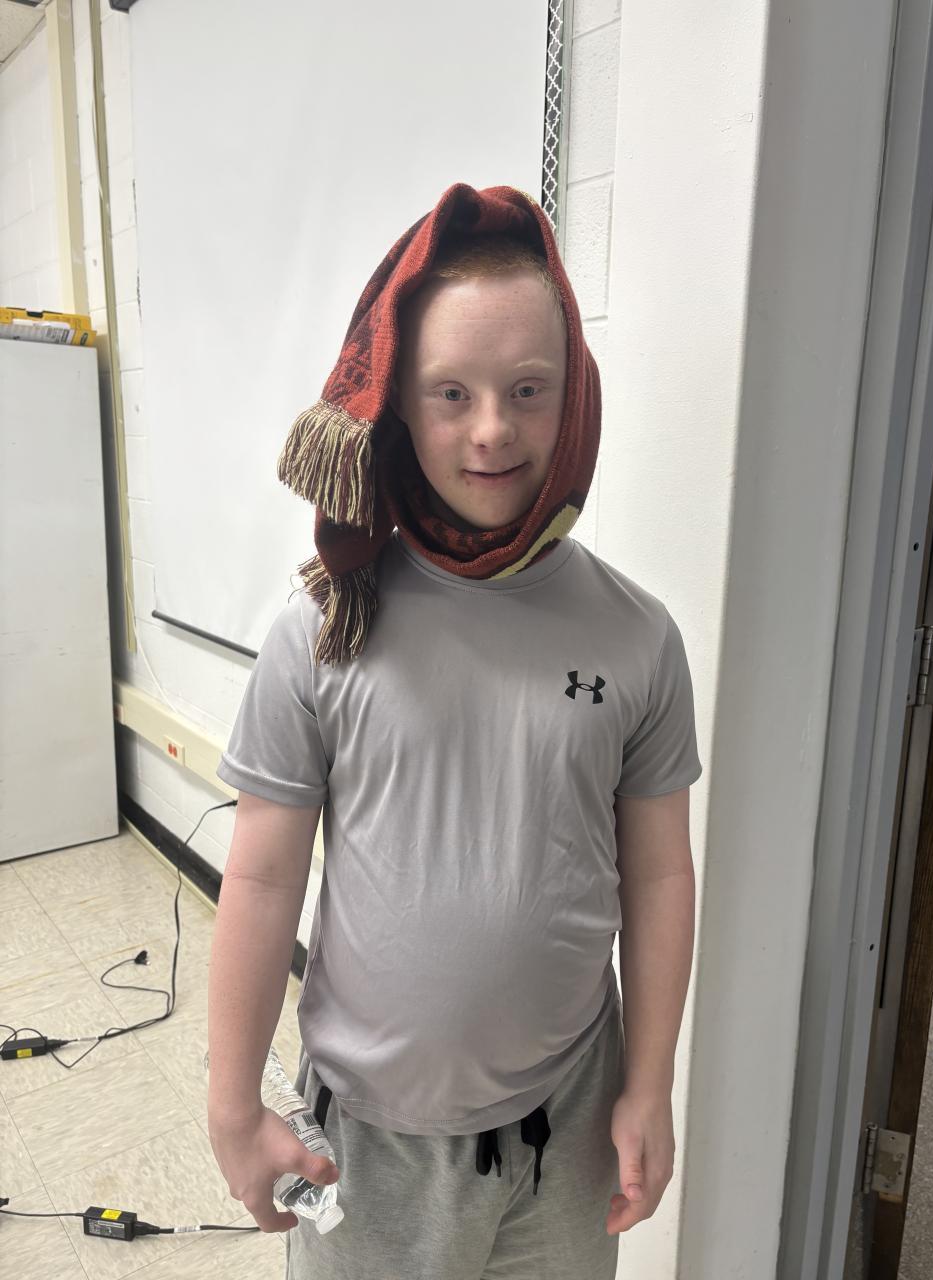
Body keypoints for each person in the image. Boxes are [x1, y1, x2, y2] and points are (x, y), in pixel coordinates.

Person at [206, 182, 703, 1280]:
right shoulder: (324, 630)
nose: (491, 429)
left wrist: (650, 1082)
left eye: (529, 389)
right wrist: (232, 1103)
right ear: (397, 405)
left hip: (567, 1128)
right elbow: (263, 876)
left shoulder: (637, 636)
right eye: (450, 393)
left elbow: (661, 873)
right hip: (369, 1145)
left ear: (574, 394)